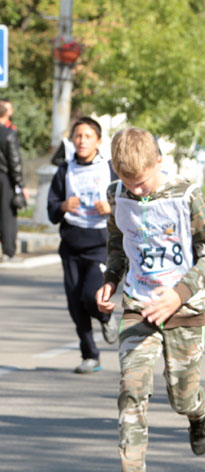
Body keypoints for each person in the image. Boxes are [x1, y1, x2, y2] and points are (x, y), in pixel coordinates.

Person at [95, 127, 205, 472]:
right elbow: (119, 246)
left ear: (159, 162)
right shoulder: (117, 195)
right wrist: (111, 281)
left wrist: (179, 294)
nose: (139, 193)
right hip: (138, 303)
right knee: (131, 391)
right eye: (129, 184)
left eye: (143, 182)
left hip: (183, 308)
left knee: (180, 397)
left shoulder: (186, 194)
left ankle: (199, 410)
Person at [46, 117, 119, 374]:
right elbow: (51, 209)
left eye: (88, 136)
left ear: (98, 141)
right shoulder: (65, 171)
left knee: (91, 296)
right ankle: (90, 355)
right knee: (75, 303)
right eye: (78, 136)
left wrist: (111, 209)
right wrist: (63, 206)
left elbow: (128, 205)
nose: (82, 141)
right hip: (71, 245)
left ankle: (106, 318)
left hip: (100, 244)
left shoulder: (110, 170)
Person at [0, 99, 25, 262]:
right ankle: (9, 251)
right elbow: (14, 161)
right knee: (7, 215)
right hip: (5, 178)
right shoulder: (9, 133)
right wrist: (20, 184)